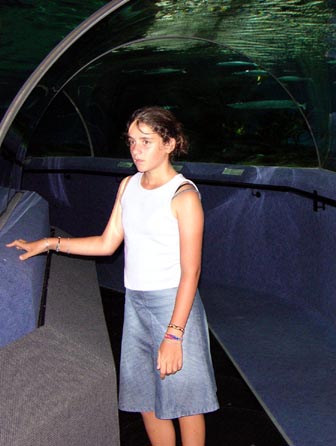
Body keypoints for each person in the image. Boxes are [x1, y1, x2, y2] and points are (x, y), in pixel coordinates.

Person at [6, 106, 219, 446]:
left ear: (170, 143)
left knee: (186, 403)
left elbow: (191, 271)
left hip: (174, 306)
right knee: (145, 400)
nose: (136, 150)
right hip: (136, 304)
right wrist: (48, 243)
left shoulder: (184, 196)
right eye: (132, 141)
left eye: (146, 141)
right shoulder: (128, 185)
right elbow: (107, 243)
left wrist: (174, 334)